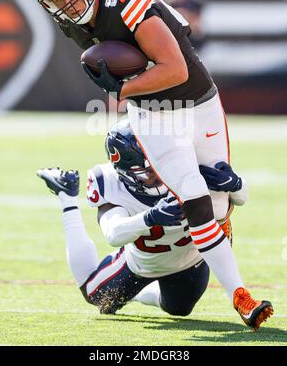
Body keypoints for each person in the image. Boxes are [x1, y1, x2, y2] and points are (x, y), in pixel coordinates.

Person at [32, 0, 273, 328]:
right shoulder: (72, 24)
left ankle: (223, 237)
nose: (67, 2)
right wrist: (125, 90)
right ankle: (240, 296)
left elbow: (174, 69)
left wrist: (121, 90)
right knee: (194, 196)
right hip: (151, 114)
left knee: (222, 200)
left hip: (197, 101)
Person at [37, 118, 251, 321]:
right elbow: (113, 233)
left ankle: (140, 294)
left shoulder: (187, 162)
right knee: (99, 299)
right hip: (140, 262)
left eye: (158, 165)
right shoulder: (110, 183)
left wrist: (237, 185)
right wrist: (150, 218)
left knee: (179, 308)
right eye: (146, 172)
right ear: (123, 173)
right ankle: (67, 197)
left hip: (190, 259)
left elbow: (240, 200)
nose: (158, 175)